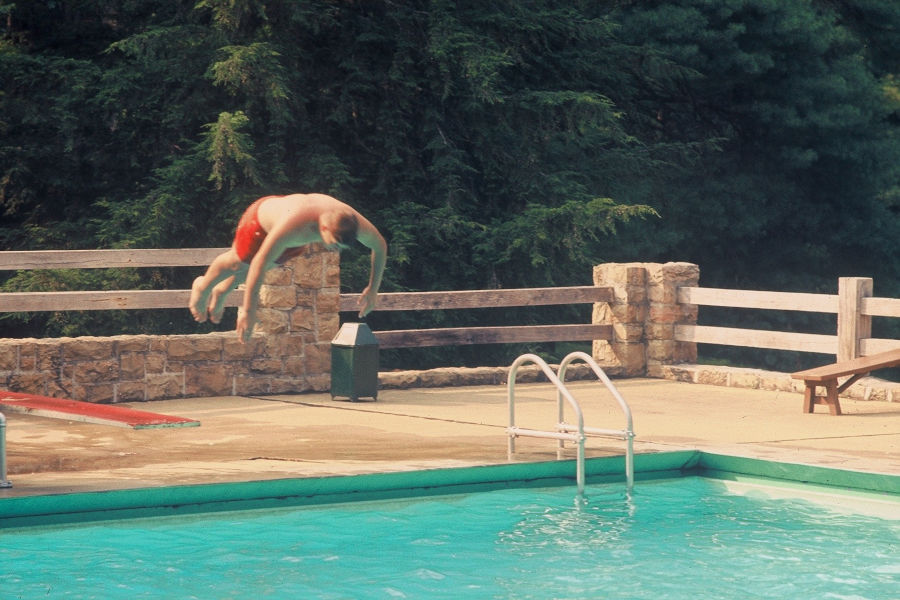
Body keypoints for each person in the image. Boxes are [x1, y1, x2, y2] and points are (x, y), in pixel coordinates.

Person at [189, 193, 387, 343]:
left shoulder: (352, 222)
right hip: (259, 221)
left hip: (293, 241)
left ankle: (222, 290)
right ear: (324, 229)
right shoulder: (295, 223)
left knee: (263, 266)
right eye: (334, 244)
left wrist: (373, 289)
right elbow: (258, 261)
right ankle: (203, 286)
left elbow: (380, 246)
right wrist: (249, 312)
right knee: (238, 262)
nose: (336, 250)